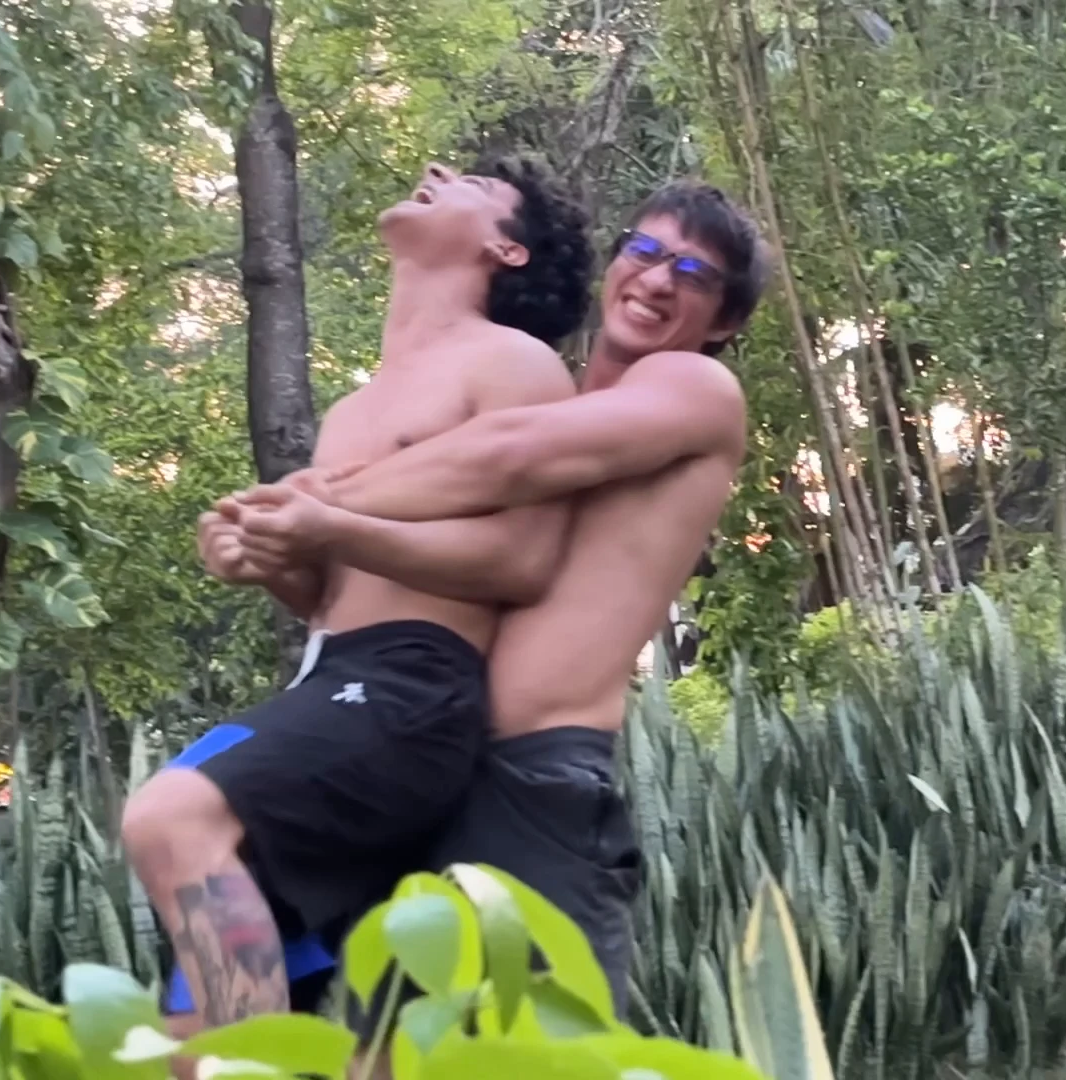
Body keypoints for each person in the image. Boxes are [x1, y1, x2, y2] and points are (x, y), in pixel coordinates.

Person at [226, 178, 772, 1024]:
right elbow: (382, 591)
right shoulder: (544, 387)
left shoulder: (692, 389)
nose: (658, 280)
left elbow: (510, 453)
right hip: (421, 764)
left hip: (534, 780)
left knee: (538, 1058)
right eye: (645, 251)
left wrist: (313, 502)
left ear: (725, 320)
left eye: (694, 274)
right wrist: (284, 547)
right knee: (386, 1055)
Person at [120, 155, 595, 1041]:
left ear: (507, 249)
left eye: (474, 184)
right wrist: (265, 556)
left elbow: (522, 561)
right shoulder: (351, 412)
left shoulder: (515, 364)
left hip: (414, 689)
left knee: (171, 813)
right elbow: (326, 596)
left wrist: (331, 525)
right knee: (195, 1021)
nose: (436, 168)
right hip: (333, 680)